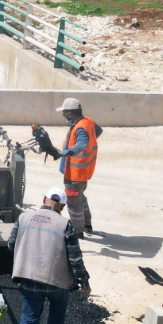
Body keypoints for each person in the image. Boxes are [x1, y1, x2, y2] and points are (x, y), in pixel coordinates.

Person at [9, 186, 91, 324]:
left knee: (29, 320)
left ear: (44, 198)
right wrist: (84, 282)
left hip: (28, 277)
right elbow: (75, 258)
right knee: (57, 310)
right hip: (56, 281)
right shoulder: (65, 225)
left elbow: (11, 244)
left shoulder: (23, 218)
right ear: (62, 206)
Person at [53, 96, 102, 237]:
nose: (63, 115)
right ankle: (87, 225)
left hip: (75, 173)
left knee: (74, 202)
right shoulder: (87, 121)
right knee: (80, 197)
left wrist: (67, 152)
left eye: (64, 112)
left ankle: (77, 231)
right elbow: (98, 131)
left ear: (70, 112)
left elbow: (82, 143)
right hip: (83, 172)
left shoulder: (80, 128)